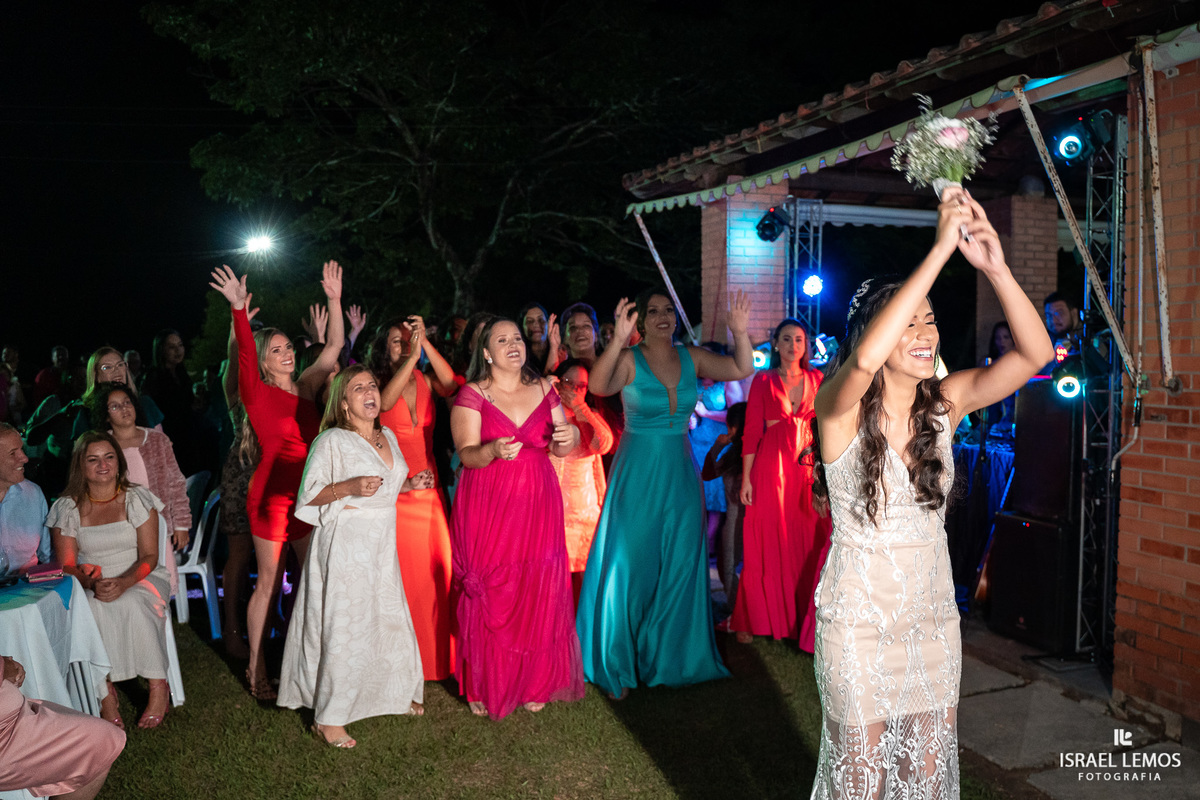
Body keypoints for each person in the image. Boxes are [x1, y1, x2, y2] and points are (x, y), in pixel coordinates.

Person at [808, 190, 1053, 799]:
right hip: (858, 622)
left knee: (924, 774)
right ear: (877, 330)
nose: (925, 332)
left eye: (930, 320)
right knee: (861, 777)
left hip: (932, 619)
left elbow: (1036, 354)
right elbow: (864, 359)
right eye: (908, 320)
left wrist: (995, 266)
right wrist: (940, 248)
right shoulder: (835, 411)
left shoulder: (946, 406)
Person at [576, 288, 753, 699]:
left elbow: (741, 368)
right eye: (653, 311)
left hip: (679, 473)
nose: (662, 317)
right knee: (630, 563)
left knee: (679, 564)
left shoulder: (692, 356)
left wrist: (740, 332)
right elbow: (599, 386)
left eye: (668, 311)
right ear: (640, 321)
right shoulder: (628, 360)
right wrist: (617, 340)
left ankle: (669, 658)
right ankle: (616, 659)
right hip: (637, 472)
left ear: (676, 318)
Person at [208, 262, 345, 700]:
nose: (287, 354)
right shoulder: (256, 391)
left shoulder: (306, 385)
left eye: (289, 347)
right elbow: (244, 353)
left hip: (306, 494)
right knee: (268, 581)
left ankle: (304, 659)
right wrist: (236, 310)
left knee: (311, 579)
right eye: (277, 350)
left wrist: (335, 299)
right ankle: (256, 668)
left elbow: (335, 346)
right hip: (269, 495)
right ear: (264, 362)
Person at [278, 366, 429, 748]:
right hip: (345, 544)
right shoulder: (331, 441)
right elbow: (308, 497)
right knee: (344, 627)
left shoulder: (389, 436)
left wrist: (409, 484)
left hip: (381, 544)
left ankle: (393, 691)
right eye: (358, 388)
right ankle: (329, 717)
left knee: (385, 617)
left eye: (373, 385)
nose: (369, 392)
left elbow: (385, 487)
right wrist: (347, 487)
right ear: (343, 404)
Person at [449, 317, 585, 719]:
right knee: (494, 585)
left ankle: (535, 679)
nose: (514, 344)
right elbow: (466, 453)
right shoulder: (471, 395)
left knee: (535, 585)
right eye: (502, 339)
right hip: (490, 502)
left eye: (518, 338)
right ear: (486, 352)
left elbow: (560, 447)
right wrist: (491, 451)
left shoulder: (546, 388)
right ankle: (484, 681)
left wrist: (571, 438)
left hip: (538, 500)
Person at [48, 432, 176, 730]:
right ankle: (105, 693)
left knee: (132, 602)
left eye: (109, 457)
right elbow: (66, 565)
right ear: (81, 465)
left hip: (140, 576)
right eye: (93, 459)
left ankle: (158, 686)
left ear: (119, 462)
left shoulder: (137, 498)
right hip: (92, 580)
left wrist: (124, 582)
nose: (102, 465)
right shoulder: (68, 507)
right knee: (90, 609)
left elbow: (149, 557)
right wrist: (91, 582)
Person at [730, 318, 830, 651]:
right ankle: (754, 617)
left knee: (807, 541)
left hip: (807, 471)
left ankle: (803, 620)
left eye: (799, 339)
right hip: (770, 469)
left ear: (806, 345)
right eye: (785, 339)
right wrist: (746, 477)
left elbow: (828, 430)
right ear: (775, 344)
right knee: (766, 544)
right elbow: (752, 433)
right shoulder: (763, 380)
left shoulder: (819, 379)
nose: (792, 345)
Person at [370, 315, 459, 682]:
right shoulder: (374, 384)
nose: (405, 345)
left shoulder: (425, 379)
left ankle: (442, 661)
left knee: (440, 575)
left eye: (409, 339)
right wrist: (411, 358)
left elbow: (453, 384)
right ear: (382, 348)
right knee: (404, 583)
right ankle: (405, 665)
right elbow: (384, 404)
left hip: (431, 495)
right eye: (397, 340)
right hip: (395, 496)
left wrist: (426, 346)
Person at [0, 655, 125, 799]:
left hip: (16, 721)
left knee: (98, 738)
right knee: (100, 741)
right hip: (8, 736)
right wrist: (4, 667)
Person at [93, 384, 192, 552]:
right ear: (106, 415)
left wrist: (181, 525)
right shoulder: (103, 446)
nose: (124, 409)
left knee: (163, 574)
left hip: (160, 526)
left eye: (127, 403)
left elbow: (176, 483)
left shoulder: (157, 440)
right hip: (123, 531)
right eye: (115, 406)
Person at [549, 359, 613, 603]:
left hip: (587, 515)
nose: (575, 390)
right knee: (558, 588)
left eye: (582, 386)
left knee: (586, 588)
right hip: (555, 513)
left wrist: (579, 408)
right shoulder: (546, 413)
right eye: (568, 383)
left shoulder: (588, 415)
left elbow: (601, 444)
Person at [700, 402, 747, 610]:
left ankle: (738, 611)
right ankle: (737, 610)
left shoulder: (747, 453)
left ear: (734, 427)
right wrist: (718, 446)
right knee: (727, 565)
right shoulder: (733, 454)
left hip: (740, 520)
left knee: (729, 567)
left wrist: (720, 445)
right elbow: (708, 474)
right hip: (736, 518)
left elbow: (708, 474)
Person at [0, 423, 50, 574]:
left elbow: (48, 555)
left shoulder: (33, 494)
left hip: (27, 591)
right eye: (13, 453)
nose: (25, 458)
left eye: (21, 449)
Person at [518, 302, 561, 376]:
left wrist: (554, 347)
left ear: (549, 324)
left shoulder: (561, 352)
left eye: (541, 320)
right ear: (522, 327)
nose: (536, 325)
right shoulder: (519, 356)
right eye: (530, 321)